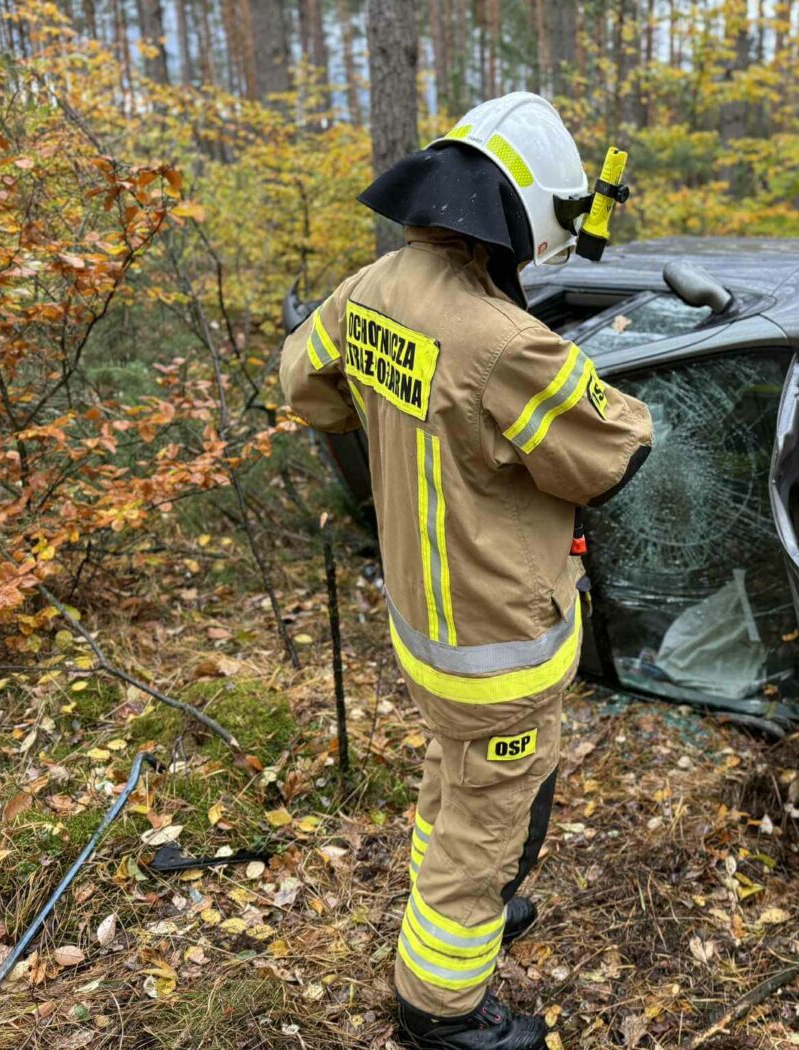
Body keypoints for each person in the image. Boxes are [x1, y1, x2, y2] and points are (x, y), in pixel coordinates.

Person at [279, 93, 653, 1050]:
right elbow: (611, 453)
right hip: (497, 635)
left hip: (424, 621)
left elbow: (300, 382)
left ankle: (461, 908)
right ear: (518, 215)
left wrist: (393, 440)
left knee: (456, 780)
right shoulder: (503, 344)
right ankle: (439, 1007)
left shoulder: (373, 288)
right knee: (489, 814)